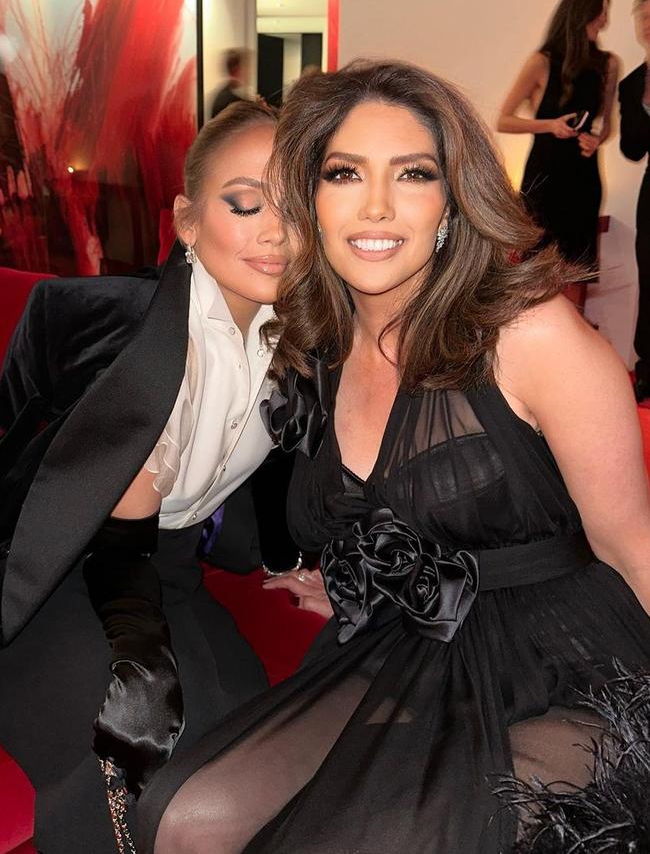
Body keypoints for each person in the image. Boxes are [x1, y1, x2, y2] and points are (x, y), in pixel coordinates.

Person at [138, 61, 650, 854]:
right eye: (345, 173)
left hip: (570, 661)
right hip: (408, 639)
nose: (375, 205)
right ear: (310, 196)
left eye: (413, 174)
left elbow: (632, 540)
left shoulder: (529, 332)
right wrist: (349, 568)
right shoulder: (319, 346)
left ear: (451, 200)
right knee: (186, 820)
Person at [0, 101, 296, 853]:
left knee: (255, 755)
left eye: (297, 205)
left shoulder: (304, 350)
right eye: (246, 201)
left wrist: (306, 562)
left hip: (171, 570)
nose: (275, 229)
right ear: (188, 220)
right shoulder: (86, 316)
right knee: (133, 768)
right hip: (54, 576)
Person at [498, 0, 619, 313]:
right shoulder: (542, 62)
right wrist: (550, 126)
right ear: (583, 14)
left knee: (576, 268)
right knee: (538, 265)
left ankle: (573, 340)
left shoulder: (609, 64)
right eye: (601, 11)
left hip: (583, 175)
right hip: (544, 176)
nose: (605, 20)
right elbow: (504, 119)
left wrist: (596, 138)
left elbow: (606, 124)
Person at [619, 0, 650, 403]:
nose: (648, 23)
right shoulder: (631, 85)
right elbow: (632, 148)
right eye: (642, 17)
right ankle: (648, 371)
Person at [210, 49, 254, 119]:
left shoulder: (227, 95)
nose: (250, 72)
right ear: (237, 70)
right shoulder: (231, 101)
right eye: (247, 66)